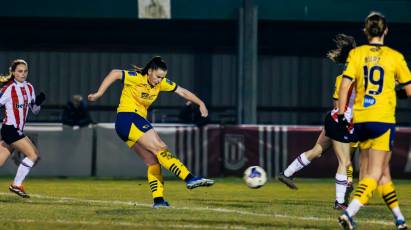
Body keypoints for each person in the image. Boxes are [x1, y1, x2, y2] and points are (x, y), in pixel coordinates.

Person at [88, 56, 214, 208]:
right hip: (129, 117)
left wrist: (201, 103)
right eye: (158, 76)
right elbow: (115, 73)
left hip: (126, 125)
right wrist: (99, 93)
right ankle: (189, 178)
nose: (160, 80)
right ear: (149, 71)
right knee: (160, 148)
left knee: (153, 161)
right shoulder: (136, 77)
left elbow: (182, 92)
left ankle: (159, 201)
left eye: (163, 77)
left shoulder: (160, 83)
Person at [337, 12, 411, 230]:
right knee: (375, 173)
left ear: (365, 31)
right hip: (382, 120)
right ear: (386, 30)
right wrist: (398, 93)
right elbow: (408, 89)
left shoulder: (357, 54)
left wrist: (342, 113)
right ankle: (349, 213)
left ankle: (399, 220)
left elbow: (344, 84)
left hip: (360, 120)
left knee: (383, 174)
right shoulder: (394, 57)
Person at [278, 34, 356, 210]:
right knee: (344, 162)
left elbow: (337, 101)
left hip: (334, 117)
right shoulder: (356, 75)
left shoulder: (343, 76)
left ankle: (286, 173)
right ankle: (340, 202)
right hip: (343, 121)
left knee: (317, 151)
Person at [0, 59, 46, 198]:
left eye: (25, 71)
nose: (23, 74)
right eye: (20, 71)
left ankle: (17, 184)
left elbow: (35, 110)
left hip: (16, 130)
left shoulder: (29, 87)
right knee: (33, 155)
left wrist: (38, 102)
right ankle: (16, 184)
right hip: (10, 129)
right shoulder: (8, 89)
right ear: (13, 72)